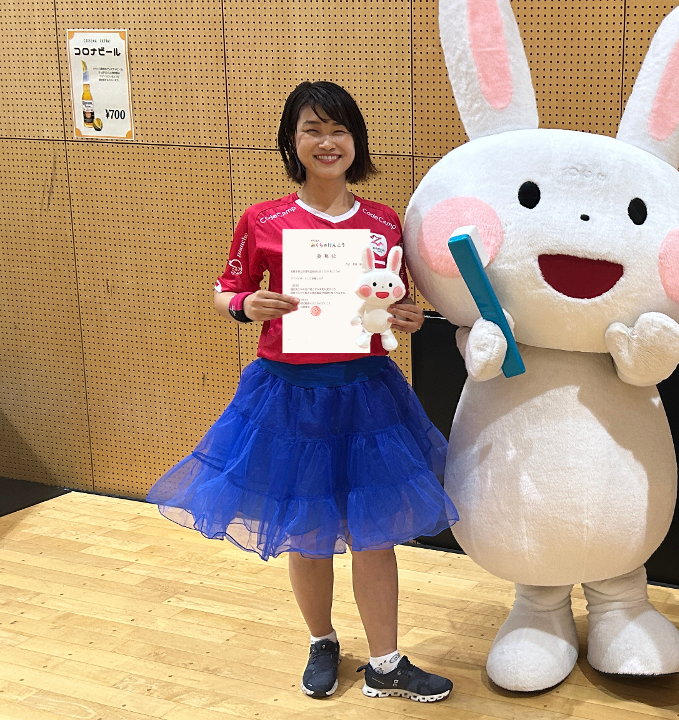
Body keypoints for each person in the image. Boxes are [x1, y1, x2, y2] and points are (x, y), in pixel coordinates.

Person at [147, 81, 458, 704]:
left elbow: (391, 300)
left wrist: (407, 318)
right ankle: (322, 641)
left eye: (338, 129)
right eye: (312, 129)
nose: (327, 141)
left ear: (356, 141)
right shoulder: (262, 220)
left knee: (375, 534)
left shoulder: (383, 222)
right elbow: (225, 290)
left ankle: (386, 662)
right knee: (307, 529)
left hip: (368, 396)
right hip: (289, 397)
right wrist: (245, 304)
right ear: (292, 141)